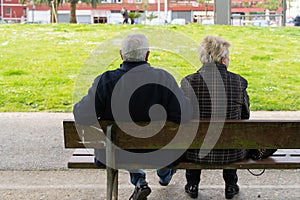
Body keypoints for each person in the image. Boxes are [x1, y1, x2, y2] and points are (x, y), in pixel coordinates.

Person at [73, 33, 192, 200]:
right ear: (147, 55)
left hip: (116, 154)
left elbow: (81, 114)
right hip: (160, 153)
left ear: (121, 54)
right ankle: (164, 174)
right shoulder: (164, 79)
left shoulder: (105, 81)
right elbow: (185, 115)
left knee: (119, 144)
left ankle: (139, 180)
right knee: (169, 146)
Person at [181, 36, 250, 199]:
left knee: (193, 135)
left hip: (196, 152)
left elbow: (184, 118)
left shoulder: (188, 82)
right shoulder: (238, 81)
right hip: (231, 152)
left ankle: (192, 183)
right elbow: (245, 115)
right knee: (232, 134)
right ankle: (231, 184)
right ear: (223, 58)